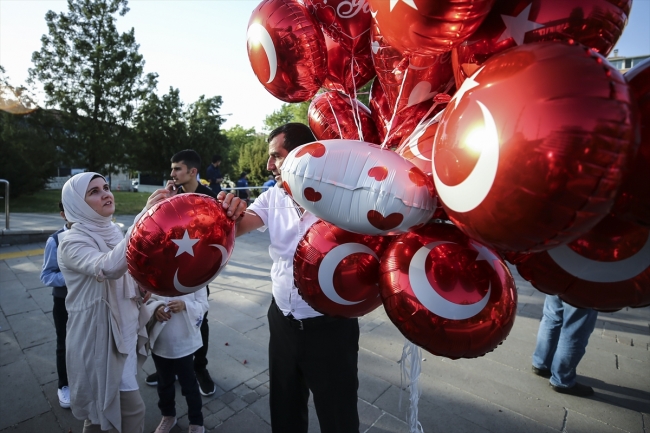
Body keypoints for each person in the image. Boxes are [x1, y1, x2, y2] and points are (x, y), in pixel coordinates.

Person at [217, 123, 360, 433]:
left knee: (339, 418)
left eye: (276, 156)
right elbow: (239, 226)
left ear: (302, 156)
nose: (269, 165)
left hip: (331, 329)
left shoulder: (343, 199)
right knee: (285, 414)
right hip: (282, 322)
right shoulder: (273, 196)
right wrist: (227, 213)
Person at [58, 172, 169, 432]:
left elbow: (126, 271)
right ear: (77, 204)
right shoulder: (71, 243)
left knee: (101, 414)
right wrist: (143, 219)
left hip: (125, 329)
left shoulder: (113, 231)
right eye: (94, 191)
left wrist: (140, 288)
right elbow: (107, 267)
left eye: (106, 187)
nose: (106, 194)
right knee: (130, 411)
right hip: (101, 337)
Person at [145, 149, 217, 397]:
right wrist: (165, 201)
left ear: (192, 171)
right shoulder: (170, 196)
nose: (172, 173)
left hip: (198, 267)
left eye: (177, 168)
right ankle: (168, 366)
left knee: (200, 316)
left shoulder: (209, 198)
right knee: (164, 308)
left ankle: (199, 367)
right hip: (168, 264)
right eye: (172, 168)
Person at [146, 291, 209, 433]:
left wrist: (185, 305)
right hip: (162, 340)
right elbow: (147, 298)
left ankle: (196, 421)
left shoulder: (194, 278)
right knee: (164, 383)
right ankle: (168, 416)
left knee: (189, 385)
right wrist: (156, 308)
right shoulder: (157, 276)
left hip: (184, 341)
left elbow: (203, 304)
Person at [532, 295, 598, 397]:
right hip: (584, 288)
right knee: (575, 328)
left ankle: (541, 364)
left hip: (557, 284)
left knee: (551, 316)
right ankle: (562, 379)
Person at [40, 201, 72, 409]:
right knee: (64, 342)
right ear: (63, 215)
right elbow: (46, 275)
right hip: (64, 301)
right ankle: (64, 384)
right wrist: (71, 277)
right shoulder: (55, 240)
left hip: (90, 300)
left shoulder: (93, 234)